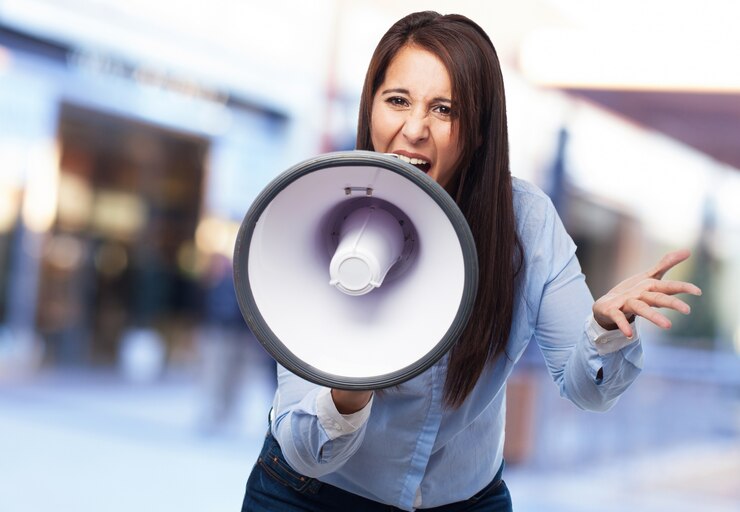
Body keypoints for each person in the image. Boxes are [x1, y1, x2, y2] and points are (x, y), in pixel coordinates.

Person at [241, 11, 702, 512]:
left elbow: (589, 392)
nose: (414, 128)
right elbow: (305, 453)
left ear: (479, 129)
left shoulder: (524, 224)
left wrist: (608, 328)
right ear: (370, 106)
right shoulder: (311, 207)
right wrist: (348, 390)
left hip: (466, 500)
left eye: (444, 110)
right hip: (312, 497)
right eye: (397, 101)